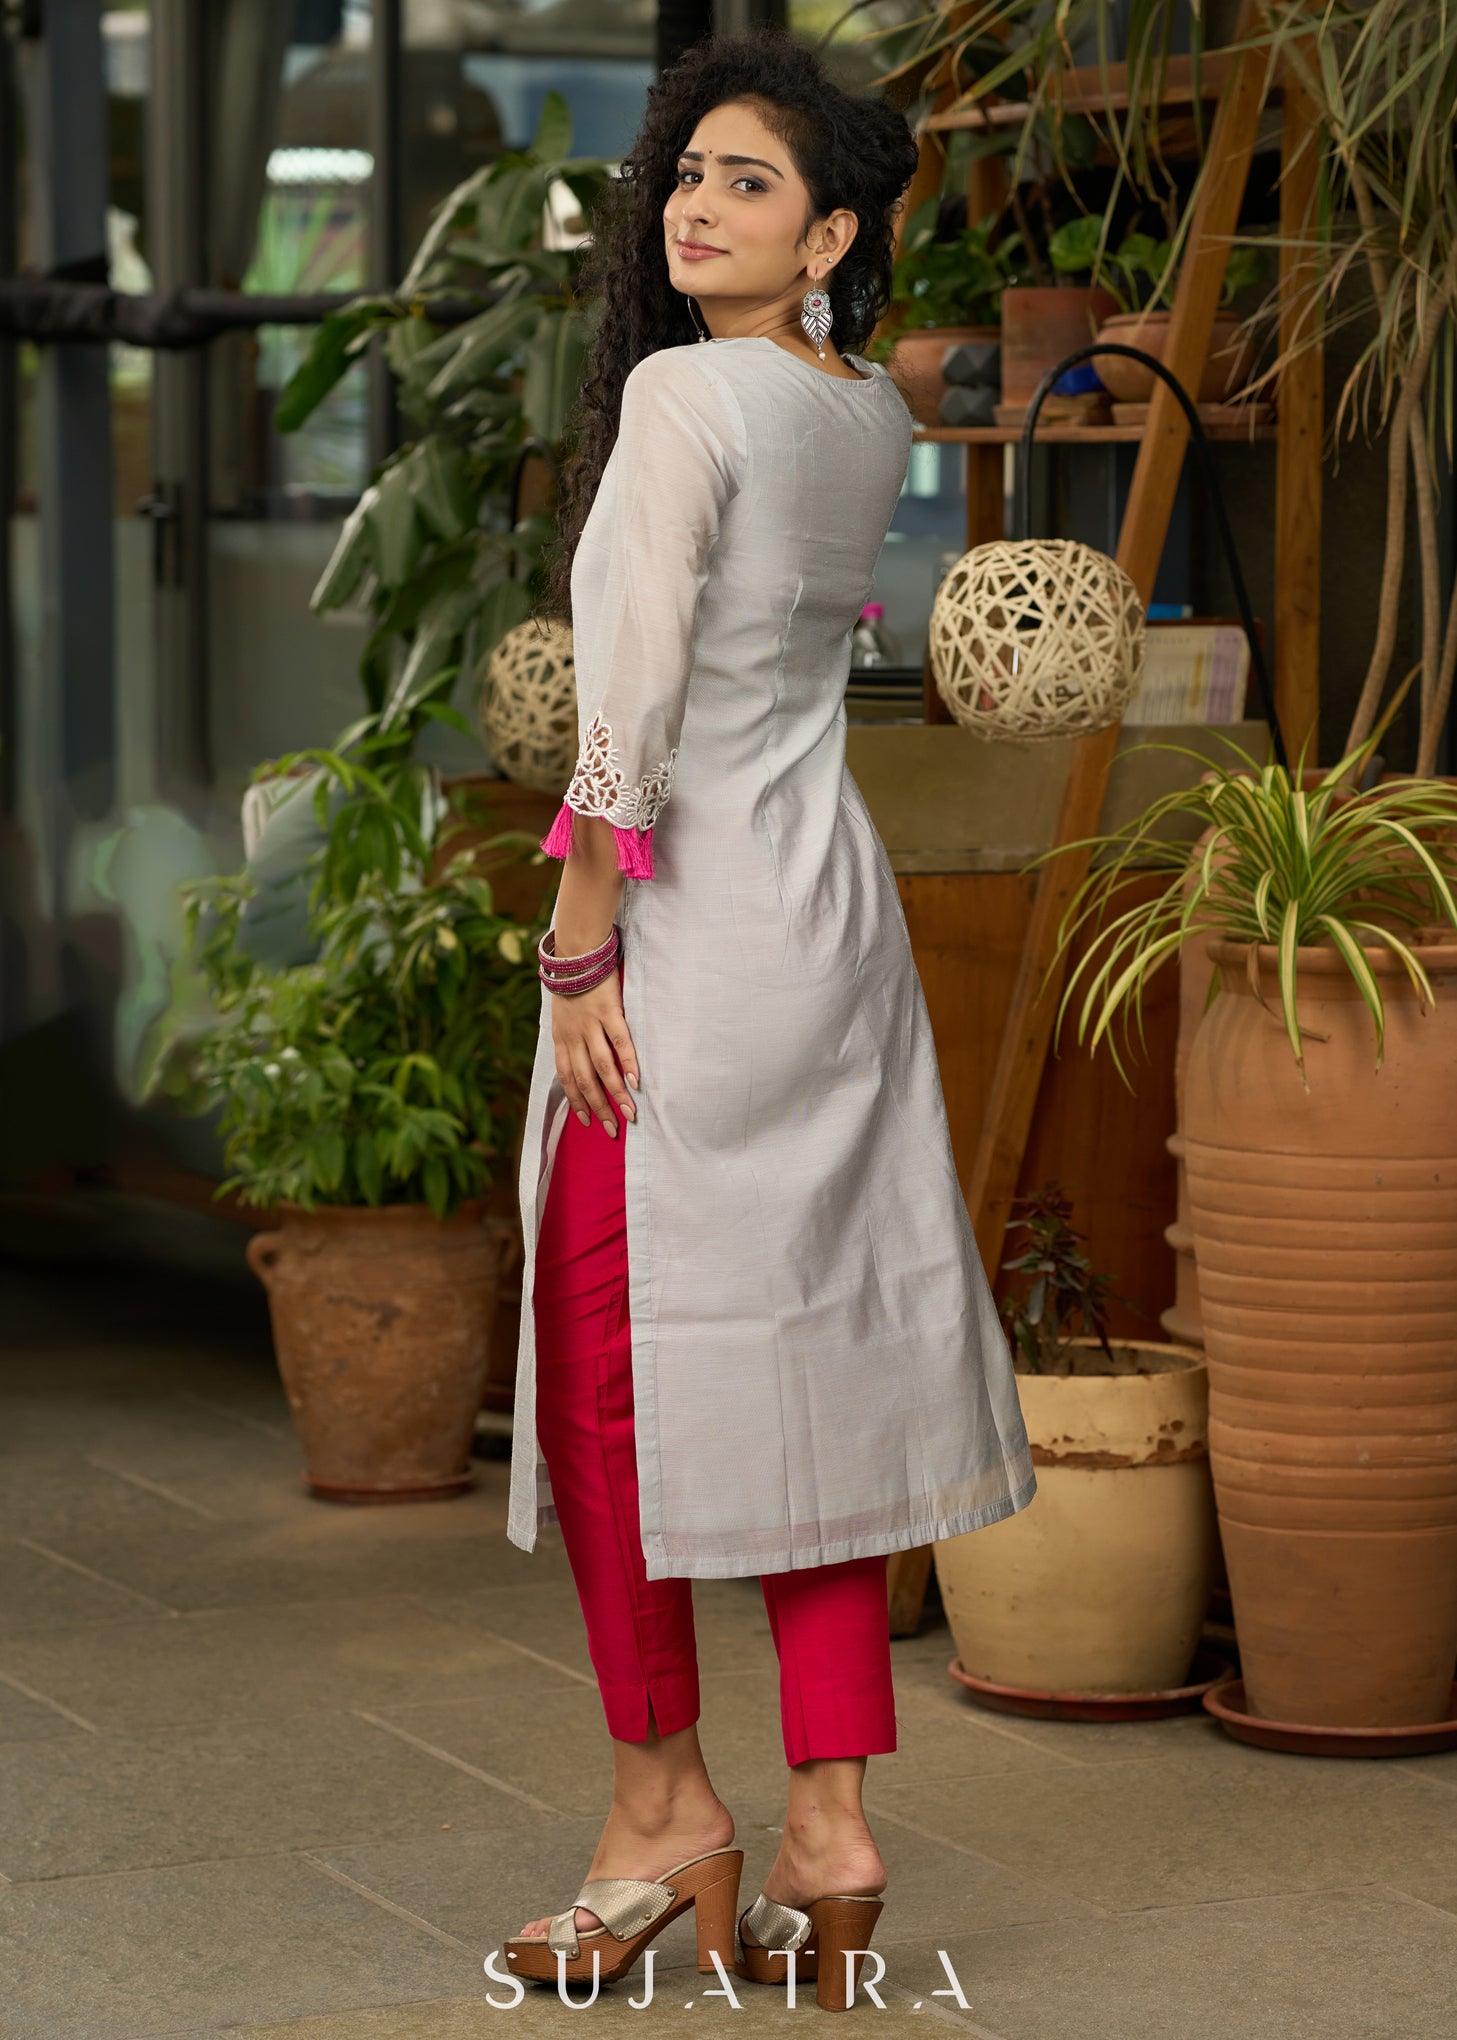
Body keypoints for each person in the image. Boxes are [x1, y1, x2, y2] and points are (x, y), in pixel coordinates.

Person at [498, 30, 1035, 2011]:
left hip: (693, 933)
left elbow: (631, 695)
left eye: (748, 182)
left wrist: (578, 942)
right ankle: (829, 1830)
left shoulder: (682, 391)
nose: (695, 205)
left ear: (830, 236)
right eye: (685, 173)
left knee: (605, 1366)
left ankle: (661, 1811)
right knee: (817, 1359)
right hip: (835, 926)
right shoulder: (860, 406)